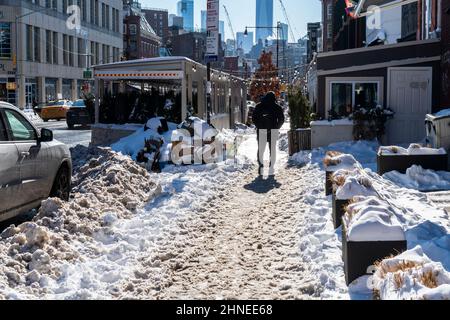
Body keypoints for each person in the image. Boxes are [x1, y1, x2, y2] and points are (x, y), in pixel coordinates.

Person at [252, 91, 285, 176]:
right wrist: (276, 127)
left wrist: (259, 126)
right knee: (272, 150)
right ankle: (271, 166)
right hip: (273, 131)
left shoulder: (259, 106)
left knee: (261, 149)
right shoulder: (277, 107)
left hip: (261, 130)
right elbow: (281, 119)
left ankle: (261, 165)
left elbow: (254, 118)